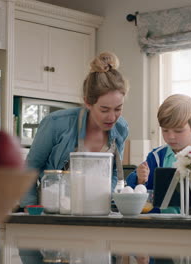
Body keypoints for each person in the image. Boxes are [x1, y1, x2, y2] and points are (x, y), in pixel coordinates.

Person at [19, 51, 130, 209]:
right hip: (53, 210)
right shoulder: (56, 123)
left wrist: (105, 201)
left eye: (118, 109)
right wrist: (29, 207)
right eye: (104, 110)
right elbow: (30, 168)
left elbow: (112, 173)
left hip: (95, 211)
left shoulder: (121, 129)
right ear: (88, 103)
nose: (112, 117)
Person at [126, 94, 191, 212]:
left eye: (178, 131)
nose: (170, 136)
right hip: (161, 224)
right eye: (165, 130)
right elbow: (138, 192)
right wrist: (140, 180)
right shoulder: (156, 157)